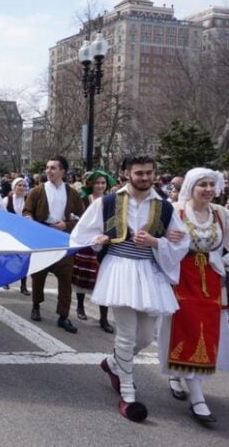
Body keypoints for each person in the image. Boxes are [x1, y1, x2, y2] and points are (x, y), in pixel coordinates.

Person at [70, 155, 189, 422]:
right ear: (126, 174)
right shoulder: (108, 202)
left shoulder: (165, 207)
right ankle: (127, 394)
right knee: (125, 334)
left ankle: (113, 363)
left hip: (150, 273)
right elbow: (80, 235)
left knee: (145, 338)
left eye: (149, 172)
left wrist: (156, 242)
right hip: (120, 269)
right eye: (139, 173)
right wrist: (97, 239)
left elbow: (182, 243)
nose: (145, 177)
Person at [158, 168, 229, 425]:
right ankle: (197, 397)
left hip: (210, 282)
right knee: (185, 330)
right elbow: (156, 241)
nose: (209, 189)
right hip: (181, 279)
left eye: (212, 184)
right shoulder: (175, 211)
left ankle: (182, 378)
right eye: (203, 185)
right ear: (191, 186)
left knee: (206, 333)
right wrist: (165, 239)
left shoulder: (221, 214)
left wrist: (222, 261)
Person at [23, 156, 84, 333]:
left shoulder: (72, 193)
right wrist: (31, 221)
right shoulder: (37, 191)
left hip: (63, 239)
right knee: (39, 275)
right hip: (42, 238)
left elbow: (81, 218)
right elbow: (27, 211)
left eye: (53, 168)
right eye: (47, 168)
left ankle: (63, 316)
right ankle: (36, 304)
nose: (49, 171)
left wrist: (67, 225)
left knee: (65, 279)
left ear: (63, 172)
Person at [71, 170, 116, 333]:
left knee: (102, 278)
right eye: (97, 183)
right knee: (83, 276)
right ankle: (80, 307)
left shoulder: (111, 201)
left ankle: (103, 318)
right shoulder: (84, 199)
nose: (100, 186)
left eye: (103, 183)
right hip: (86, 244)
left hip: (104, 244)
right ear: (91, 184)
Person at [3, 177, 30, 295]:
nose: (22, 188)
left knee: (24, 258)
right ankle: (6, 280)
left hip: (24, 233)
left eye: (24, 186)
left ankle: (23, 285)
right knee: (8, 257)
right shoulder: (6, 200)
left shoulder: (28, 200)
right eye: (19, 185)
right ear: (14, 187)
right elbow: (2, 215)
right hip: (10, 233)